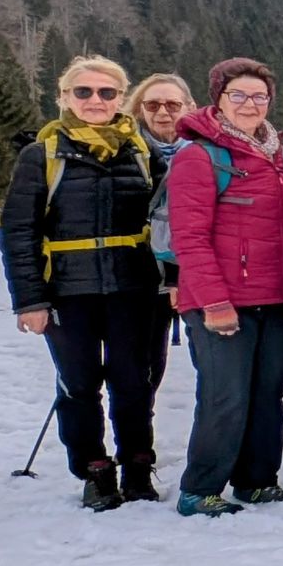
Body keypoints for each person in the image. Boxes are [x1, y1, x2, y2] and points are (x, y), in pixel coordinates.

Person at [0, 56, 167, 510]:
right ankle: (94, 470)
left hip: (133, 288)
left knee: (135, 383)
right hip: (67, 291)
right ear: (64, 97)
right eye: (84, 92)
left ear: (121, 98)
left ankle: (137, 466)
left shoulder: (140, 152)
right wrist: (29, 300)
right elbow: (19, 232)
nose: (96, 100)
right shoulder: (42, 155)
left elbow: (167, 221)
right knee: (78, 385)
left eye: (107, 93)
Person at [169, 58, 283, 516]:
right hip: (222, 301)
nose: (250, 104)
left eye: (259, 96)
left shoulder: (278, 155)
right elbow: (189, 238)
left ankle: (256, 480)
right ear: (218, 99)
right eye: (239, 95)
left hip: (276, 297)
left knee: (268, 392)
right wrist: (214, 302)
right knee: (225, 395)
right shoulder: (199, 156)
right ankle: (200, 488)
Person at [127, 70, 195, 392]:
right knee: (140, 366)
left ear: (189, 107)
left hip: (193, 271)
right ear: (139, 108)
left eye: (172, 105)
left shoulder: (207, 153)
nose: (163, 112)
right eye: (152, 105)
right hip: (138, 273)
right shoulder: (124, 151)